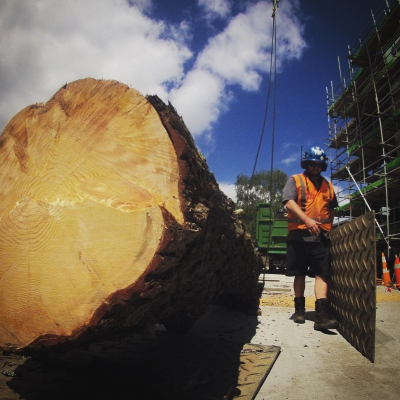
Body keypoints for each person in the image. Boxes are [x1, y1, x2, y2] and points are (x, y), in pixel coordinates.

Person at [282, 146, 339, 330]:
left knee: (322, 274)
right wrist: (306, 219)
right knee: (299, 274)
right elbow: (289, 202)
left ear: (322, 166)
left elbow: (332, 207)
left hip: (320, 236)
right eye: (312, 164)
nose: (315, 167)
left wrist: (328, 227)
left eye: (319, 164)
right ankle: (300, 311)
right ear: (307, 164)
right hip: (298, 234)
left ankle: (321, 317)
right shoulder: (295, 180)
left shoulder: (328, 185)